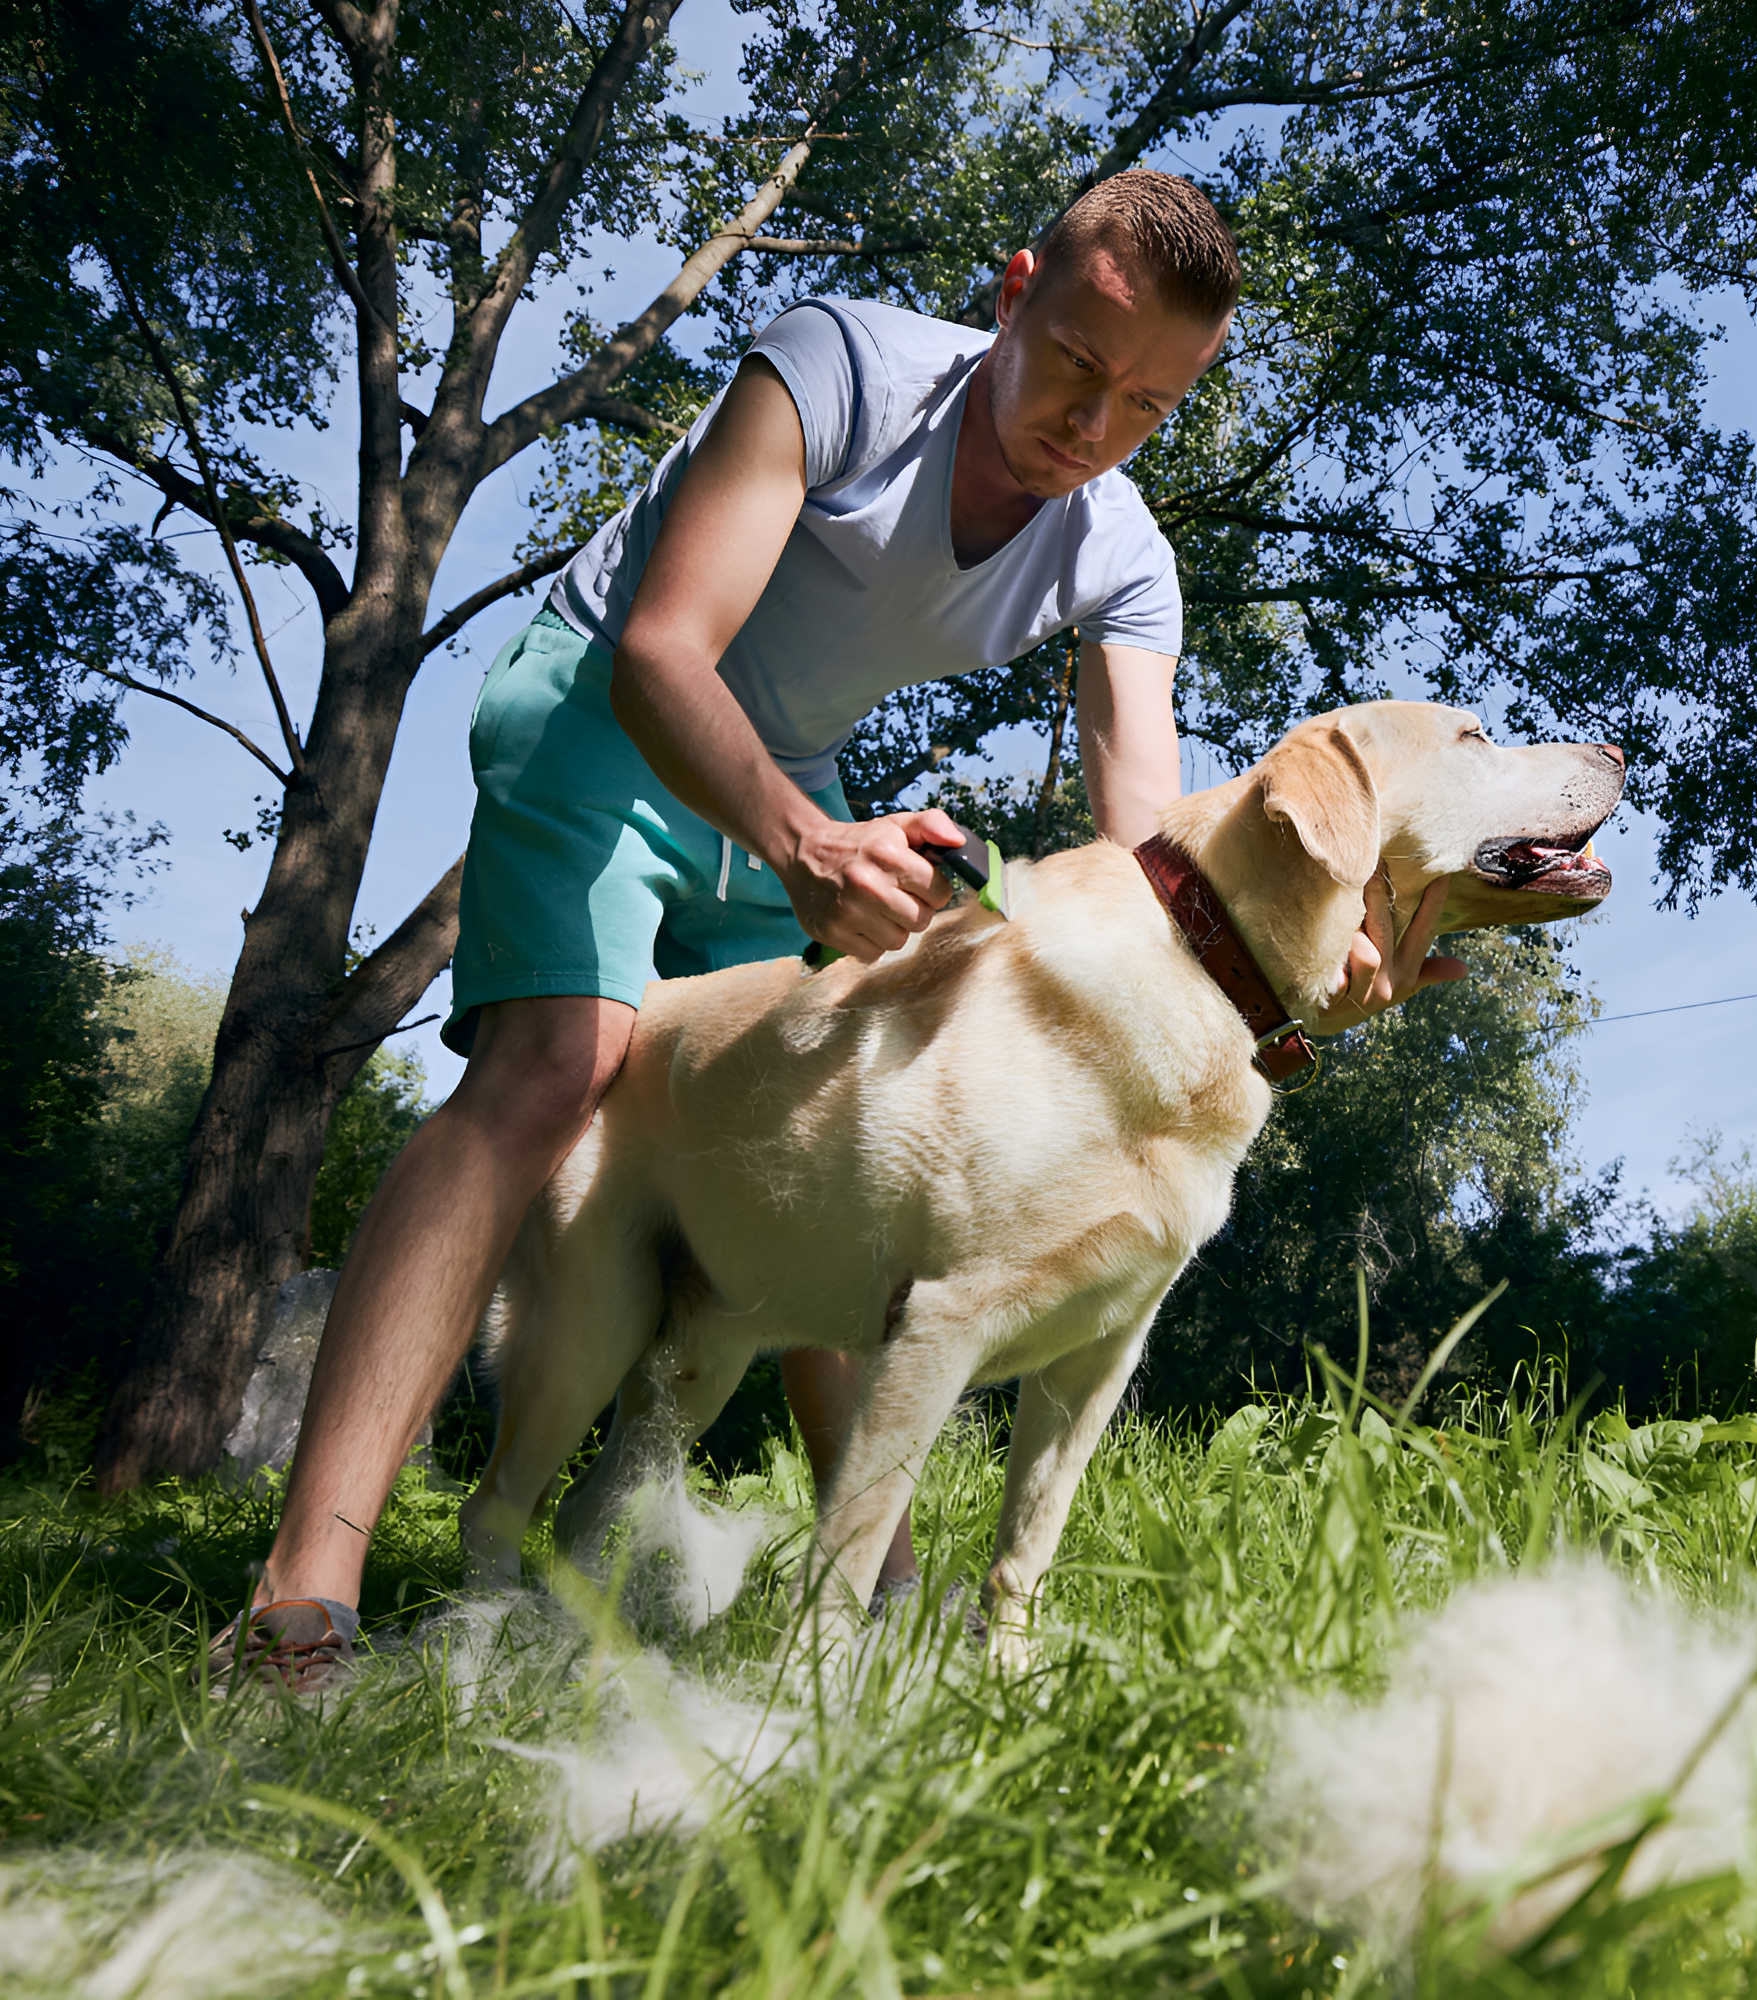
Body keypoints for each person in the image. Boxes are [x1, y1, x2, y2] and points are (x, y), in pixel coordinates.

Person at [212, 171, 1463, 1692]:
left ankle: (878, 1605)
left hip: (793, 771)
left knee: (852, 1112)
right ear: (1014, 291)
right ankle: (304, 1594)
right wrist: (803, 846)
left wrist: (1296, 973)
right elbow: (666, 653)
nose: (1093, 422)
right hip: (607, 696)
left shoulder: (1124, 558)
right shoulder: (843, 368)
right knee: (560, 1064)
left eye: (1146, 404)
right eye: (1076, 360)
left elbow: (1148, 873)